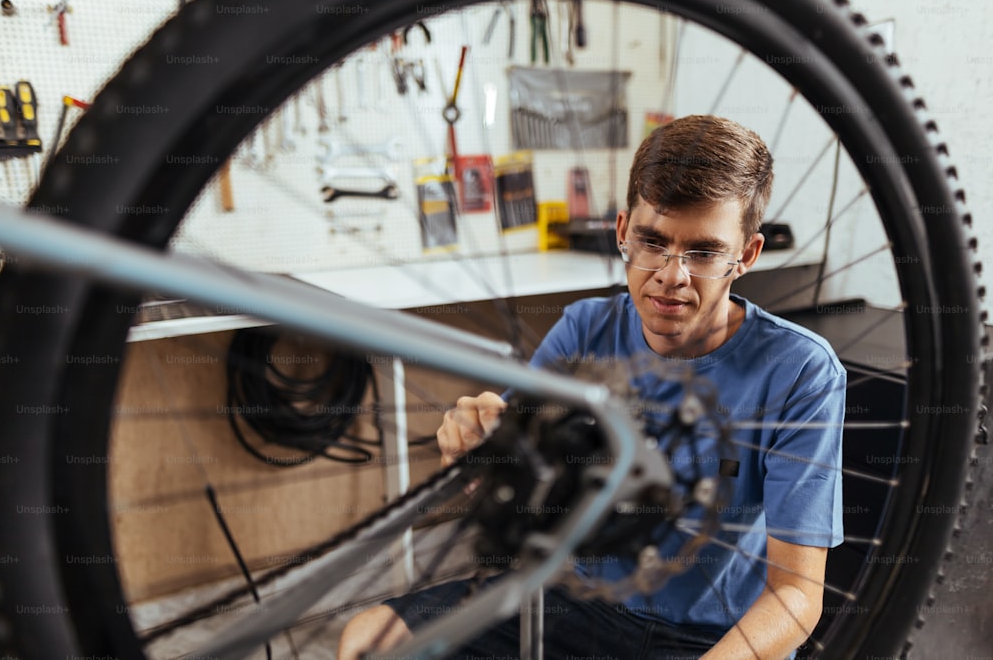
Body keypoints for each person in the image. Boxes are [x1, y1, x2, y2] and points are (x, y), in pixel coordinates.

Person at [338, 115, 846, 660]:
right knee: (370, 640)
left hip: (710, 638)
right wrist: (472, 445)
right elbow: (498, 481)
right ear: (623, 231)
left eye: (702, 253)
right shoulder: (585, 329)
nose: (671, 276)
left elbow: (797, 594)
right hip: (573, 603)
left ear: (745, 256)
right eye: (652, 242)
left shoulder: (801, 372)